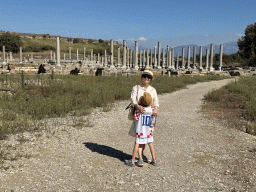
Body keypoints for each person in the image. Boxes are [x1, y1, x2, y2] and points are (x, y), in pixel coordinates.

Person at [126, 70, 159, 167]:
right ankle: (140, 157)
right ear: (141, 77)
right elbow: (133, 99)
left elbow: (155, 102)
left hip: (148, 117)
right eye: (144, 76)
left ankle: (140, 156)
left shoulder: (153, 90)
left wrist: (155, 109)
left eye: (148, 77)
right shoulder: (136, 88)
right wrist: (138, 106)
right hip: (139, 116)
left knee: (141, 138)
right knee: (145, 138)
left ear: (151, 79)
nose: (146, 78)